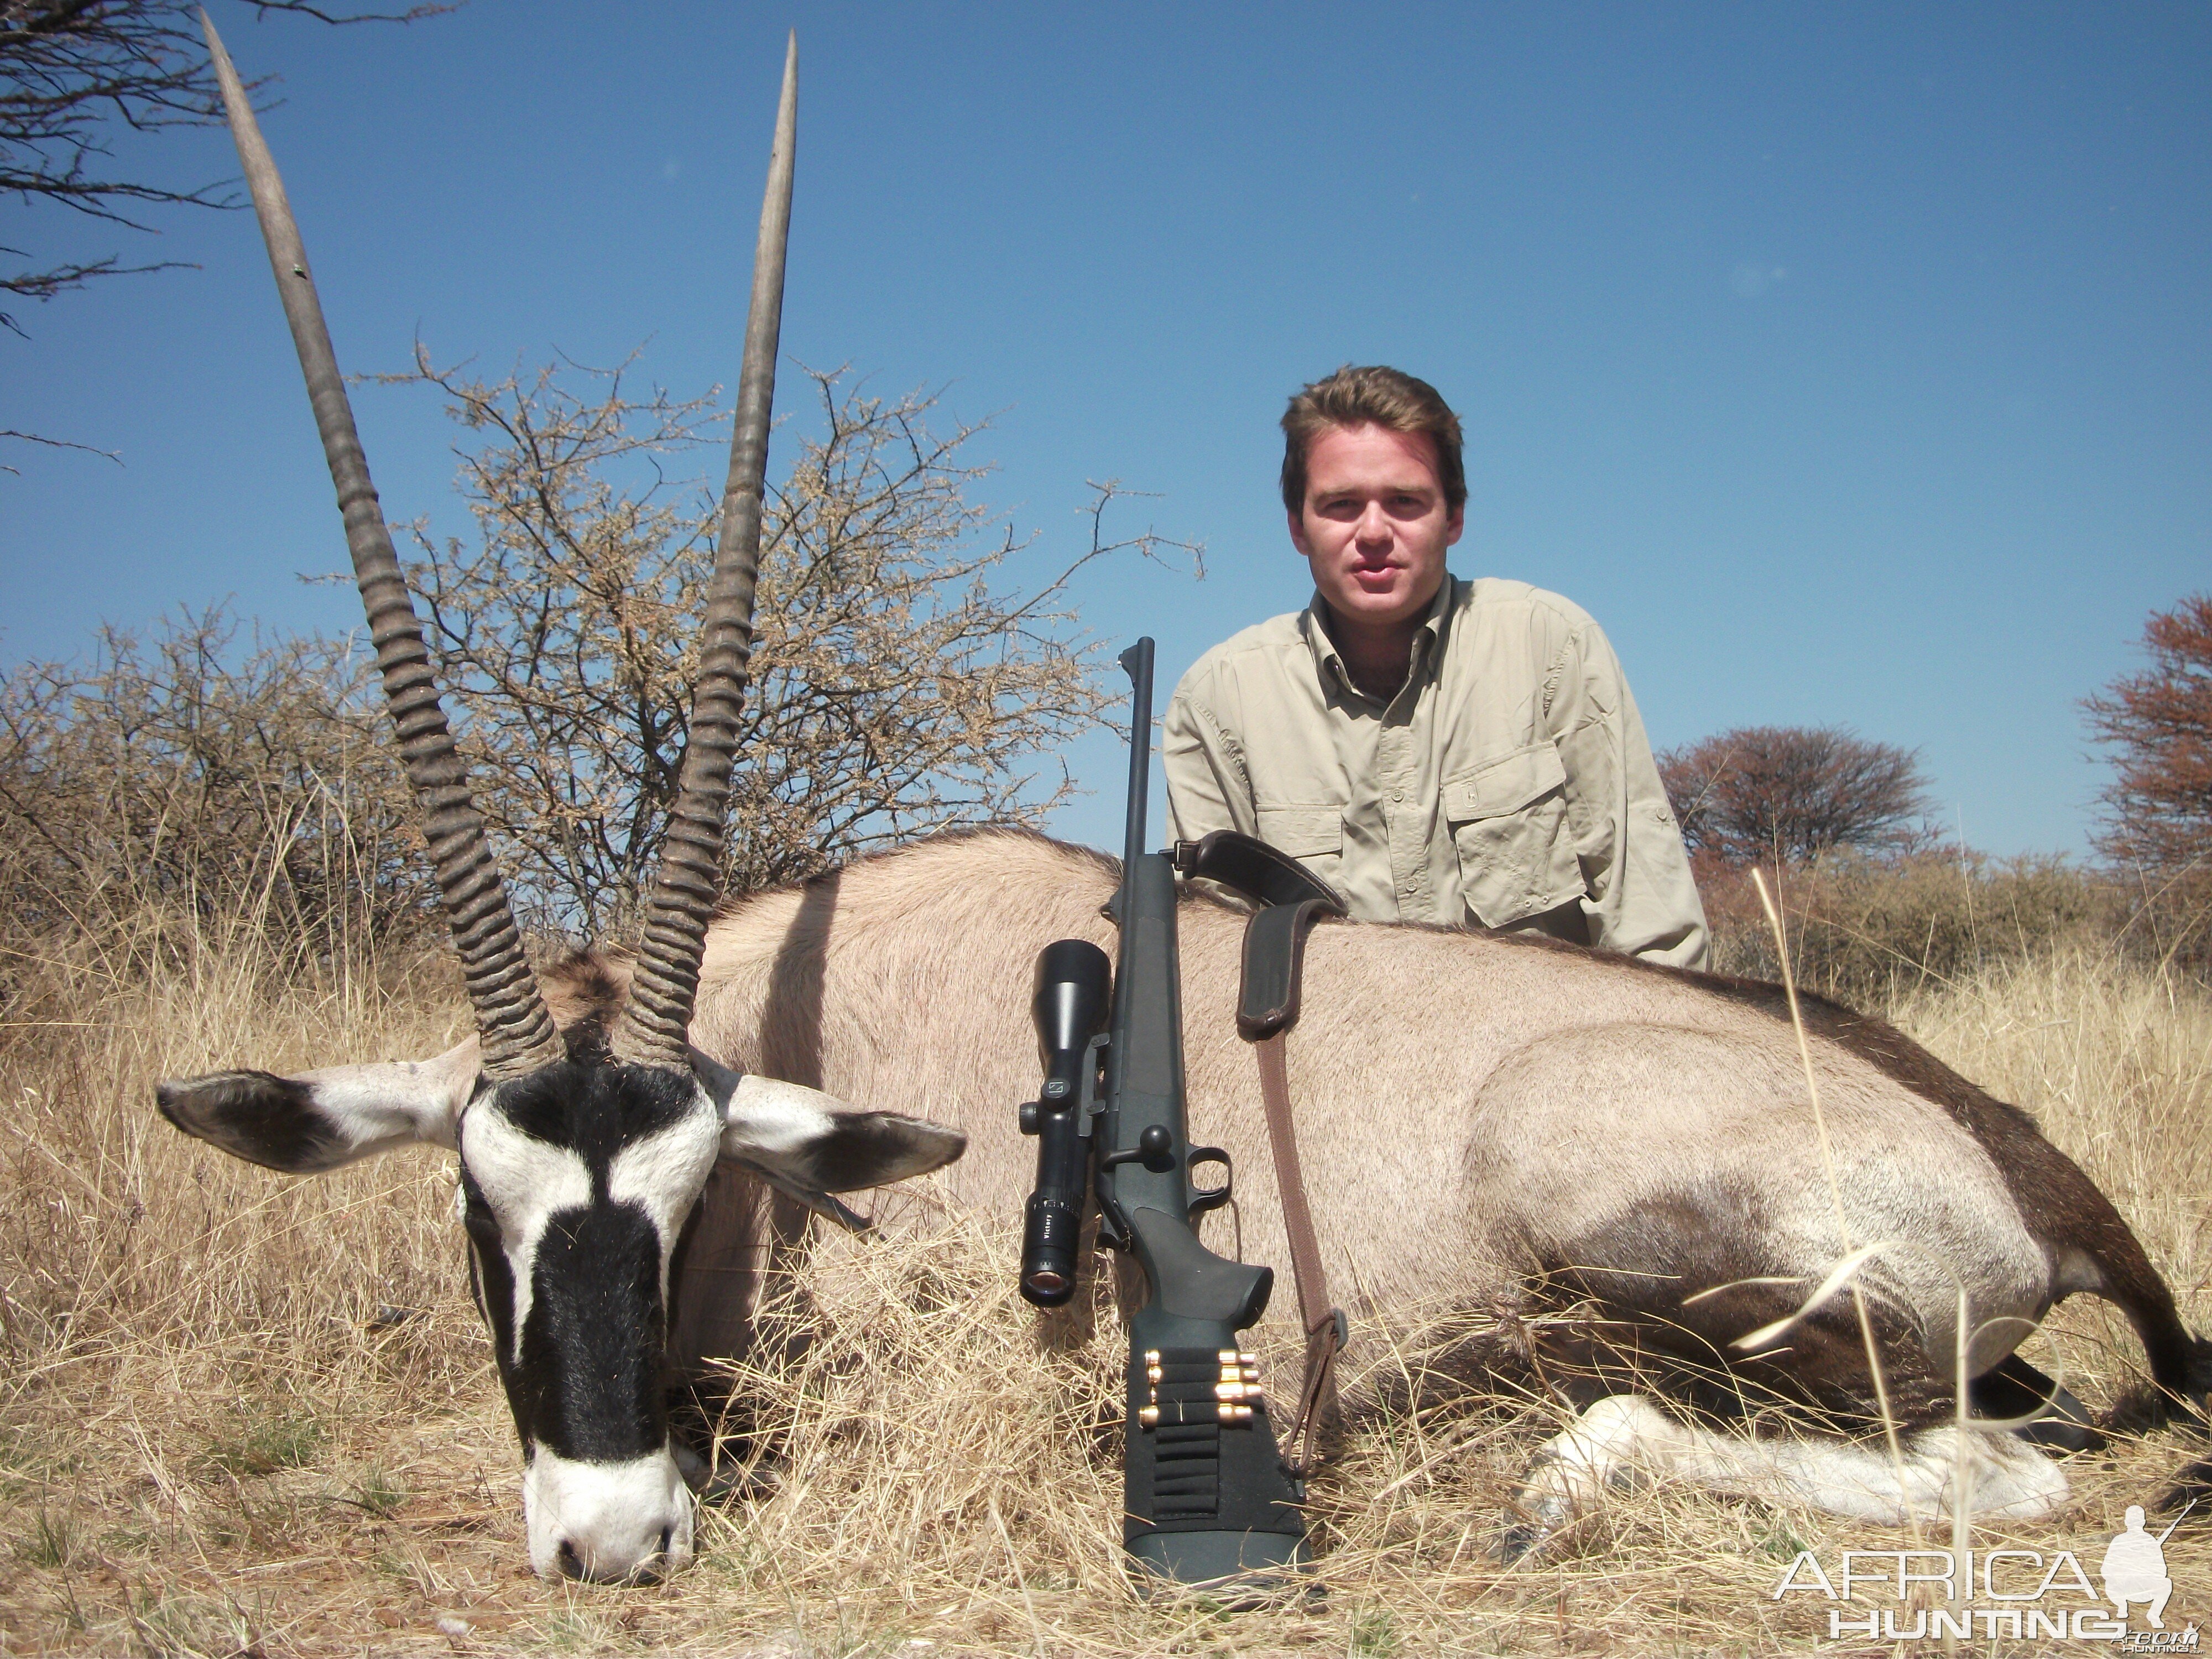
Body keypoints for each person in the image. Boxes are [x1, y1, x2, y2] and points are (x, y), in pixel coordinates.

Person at [1162, 364, 1709, 968]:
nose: (1373, 531)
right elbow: (1208, 960)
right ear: (1298, 526)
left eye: (1404, 502)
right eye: (1341, 505)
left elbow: (1655, 934)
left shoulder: (1551, 645)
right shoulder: (1219, 699)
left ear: (1452, 518)